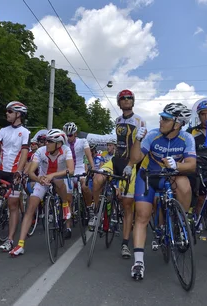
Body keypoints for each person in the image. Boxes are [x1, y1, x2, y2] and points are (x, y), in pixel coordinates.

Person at [127, 103, 196, 280]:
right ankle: (138, 262)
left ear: (178, 123)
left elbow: (192, 165)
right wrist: (138, 140)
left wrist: (178, 165)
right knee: (142, 216)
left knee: (185, 184)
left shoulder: (187, 138)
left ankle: (182, 221)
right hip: (149, 176)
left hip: (171, 176)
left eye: (165, 119)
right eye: (161, 117)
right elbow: (135, 159)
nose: (161, 121)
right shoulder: (152, 135)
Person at [92, 89, 146, 259]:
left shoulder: (139, 121)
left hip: (132, 163)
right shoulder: (117, 120)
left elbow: (141, 147)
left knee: (127, 204)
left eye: (129, 98)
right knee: (97, 178)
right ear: (119, 102)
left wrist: (132, 164)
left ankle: (125, 243)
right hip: (116, 160)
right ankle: (96, 213)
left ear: (133, 101)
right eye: (123, 98)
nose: (126, 100)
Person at [9, 129, 74, 256]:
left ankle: (65, 205)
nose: (46, 143)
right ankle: (20, 244)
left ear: (59, 144)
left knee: (59, 182)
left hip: (59, 178)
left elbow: (70, 170)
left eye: (50, 141)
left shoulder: (66, 150)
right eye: (46, 141)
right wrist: (39, 179)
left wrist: (53, 175)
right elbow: (31, 172)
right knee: (31, 207)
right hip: (43, 180)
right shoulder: (41, 151)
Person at [0, 101, 30, 252]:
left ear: (18, 114)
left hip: (14, 173)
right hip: (0, 169)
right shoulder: (3, 130)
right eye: (7, 111)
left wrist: (19, 171)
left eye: (10, 111)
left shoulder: (25, 132)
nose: (7, 114)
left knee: (13, 205)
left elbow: (24, 153)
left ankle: (9, 240)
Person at [62, 121, 94, 239]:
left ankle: (89, 207)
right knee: (68, 200)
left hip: (80, 169)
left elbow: (89, 156)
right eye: (66, 135)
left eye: (70, 135)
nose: (68, 138)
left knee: (85, 186)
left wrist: (93, 169)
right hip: (68, 172)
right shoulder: (63, 143)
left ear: (75, 134)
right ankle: (68, 227)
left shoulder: (82, 141)